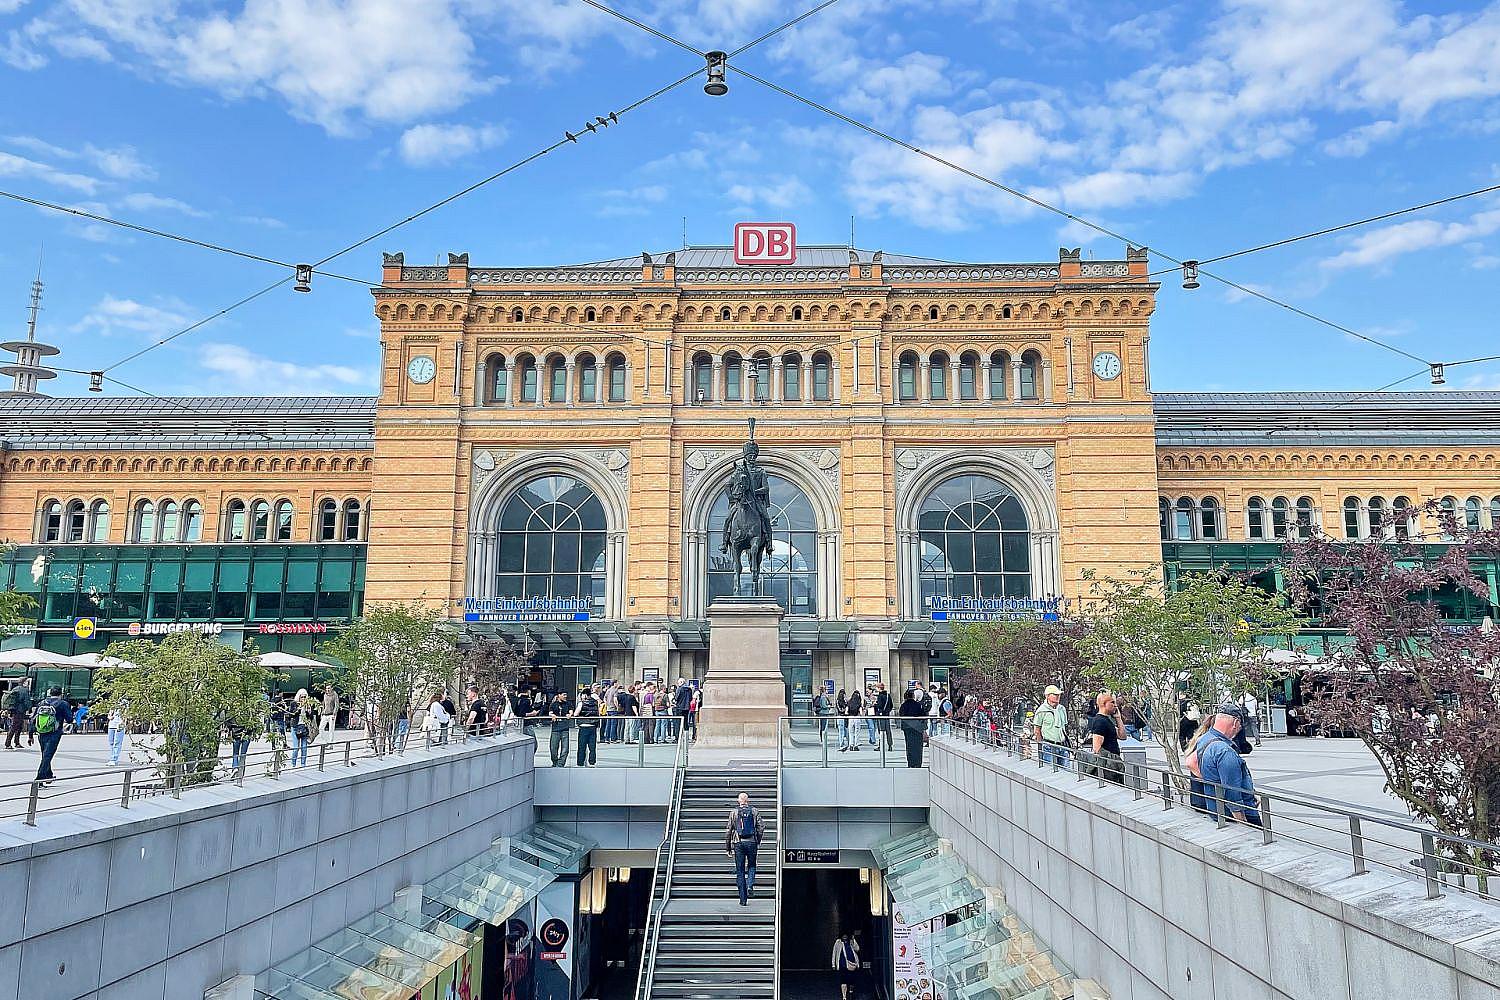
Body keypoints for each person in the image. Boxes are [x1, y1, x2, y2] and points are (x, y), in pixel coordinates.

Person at [1196, 704, 1263, 825]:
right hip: (1236, 815)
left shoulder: (1204, 739)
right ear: (1235, 723)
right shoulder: (1224, 751)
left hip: (1216, 809)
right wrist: (1242, 821)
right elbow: (1232, 792)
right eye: (1240, 726)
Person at [723, 791, 765, 906]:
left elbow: (728, 830)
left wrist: (728, 847)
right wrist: (757, 840)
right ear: (748, 801)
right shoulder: (754, 811)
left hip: (738, 843)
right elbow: (761, 827)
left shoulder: (734, 812)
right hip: (752, 842)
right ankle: (750, 885)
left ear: (739, 801)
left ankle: (743, 900)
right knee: (752, 865)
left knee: (740, 871)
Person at [1086, 692, 1126, 784]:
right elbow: (1097, 747)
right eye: (1112, 702)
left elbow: (1122, 736)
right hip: (1108, 767)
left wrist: (1118, 718)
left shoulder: (1107, 720)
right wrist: (1112, 760)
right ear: (1104, 704)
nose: (1115, 705)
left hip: (1112, 764)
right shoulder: (1099, 721)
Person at [33, 686, 71, 783]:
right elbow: (69, 719)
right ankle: (39, 779)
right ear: (61, 694)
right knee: (48, 755)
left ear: (50, 693)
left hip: (41, 732)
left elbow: (34, 718)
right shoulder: (63, 703)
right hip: (55, 732)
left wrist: (30, 734)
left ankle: (48, 775)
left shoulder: (42, 703)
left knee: (45, 754)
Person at [1033, 685, 1069, 767]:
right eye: (1055, 694)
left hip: (1063, 745)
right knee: (1049, 770)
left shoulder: (1062, 709)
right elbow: (1037, 730)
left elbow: (1064, 726)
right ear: (1047, 696)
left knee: (1066, 771)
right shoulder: (1042, 711)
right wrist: (1041, 744)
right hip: (1049, 746)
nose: (1058, 696)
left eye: (1058, 695)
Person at [898, 688, 927, 768]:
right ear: (913, 696)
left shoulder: (904, 705)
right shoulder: (918, 705)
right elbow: (923, 716)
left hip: (907, 728)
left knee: (909, 745)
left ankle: (910, 763)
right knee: (918, 746)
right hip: (917, 728)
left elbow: (901, 715)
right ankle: (918, 763)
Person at [831, 931, 862, 1000]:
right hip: (842, 965)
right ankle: (844, 996)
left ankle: (851, 992)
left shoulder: (851, 942)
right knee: (843, 980)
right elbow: (834, 952)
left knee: (852, 980)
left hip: (852, 964)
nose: (845, 937)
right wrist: (833, 964)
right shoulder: (838, 942)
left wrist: (853, 940)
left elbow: (857, 949)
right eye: (843, 935)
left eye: (846, 935)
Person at [575, 685, 601, 766]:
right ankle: (592, 762)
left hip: (584, 726)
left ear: (585, 695)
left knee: (581, 746)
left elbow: (576, 714)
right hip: (593, 727)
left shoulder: (581, 703)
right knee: (592, 747)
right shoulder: (595, 703)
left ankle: (580, 763)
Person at [3, 679, 31, 749]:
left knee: (18, 726)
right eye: (27, 682)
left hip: (14, 710)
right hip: (20, 710)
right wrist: (29, 707)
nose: (27, 683)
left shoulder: (15, 688)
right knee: (15, 726)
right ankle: (8, 743)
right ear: (24, 682)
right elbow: (27, 701)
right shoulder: (25, 690)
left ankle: (17, 742)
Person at [547, 691, 572, 766]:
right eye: (564, 695)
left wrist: (570, 714)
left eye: (566, 695)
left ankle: (561, 764)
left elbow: (571, 711)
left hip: (565, 728)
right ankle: (555, 762)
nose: (565, 696)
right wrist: (552, 715)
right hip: (555, 728)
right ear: (559, 695)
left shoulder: (568, 704)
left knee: (565, 748)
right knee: (553, 748)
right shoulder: (553, 704)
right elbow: (550, 712)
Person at [288, 690, 312, 767]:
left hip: (304, 727)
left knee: (304, 747)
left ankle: (303, 763)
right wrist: (299, 709)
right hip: (295, 727)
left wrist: (309, 712)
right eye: (302, 697)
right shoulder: (294, 704)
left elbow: (310, 717)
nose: (303, 698)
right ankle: (293, 763)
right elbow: (291, 714)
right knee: (296, 747)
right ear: (298, 697)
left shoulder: (307, 704)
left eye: (305, 697)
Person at [842, 687, 863, 752]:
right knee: (857, 732)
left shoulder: (849, 702)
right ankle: (856, 745)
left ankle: (851, 745)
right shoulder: (859, 703)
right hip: (857, 718)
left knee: (851, 732)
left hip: (850, 718)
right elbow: (861, 713)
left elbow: (846, 712)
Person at [874, 683, 894, 750]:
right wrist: (887, 711)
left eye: (877, 687)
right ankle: (890, 745)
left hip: (881, 715)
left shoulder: (880, 696)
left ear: (879, 688)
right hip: (887, 715)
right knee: (888, 731)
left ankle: (881, 745)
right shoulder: (888, 695)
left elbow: (879, 705)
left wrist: (875, 704)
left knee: (881, 731)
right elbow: (891, 705)